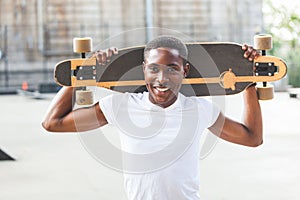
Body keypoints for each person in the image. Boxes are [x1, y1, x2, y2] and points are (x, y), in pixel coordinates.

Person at [42, 36, 262, 200]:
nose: (162, 79)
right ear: (144, 69)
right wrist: (81, 73)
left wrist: (248, 79)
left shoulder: (199, 109)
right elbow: (52, 123)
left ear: (185, 71)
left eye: (172, 69)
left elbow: (252, 138)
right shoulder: (121, 106)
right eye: (154, 69)